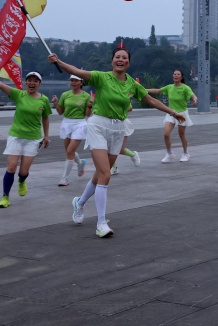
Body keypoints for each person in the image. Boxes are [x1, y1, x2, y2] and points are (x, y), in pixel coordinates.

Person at [48, 48, 185, 238]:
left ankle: (79, 202)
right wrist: (59, 62)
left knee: (100, 175)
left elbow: (150, 100)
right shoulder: (101, 77)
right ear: (112, 60)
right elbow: (78, 72)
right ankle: (101, 223)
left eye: (124, 58)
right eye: (117, 57)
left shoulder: (132, 84)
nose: (120, 60)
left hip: (118, 129)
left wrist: (173, 112)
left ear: (128, 63)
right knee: (105, 174)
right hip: (98, 126)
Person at [0, 67, 51, 208]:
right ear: (25, 82)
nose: (32, 83)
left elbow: (45, 118)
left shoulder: (44, 100)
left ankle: (21, 181)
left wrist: (46, 136)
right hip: (16, 136)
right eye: (29, 80)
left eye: (35, 81)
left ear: (40, 84)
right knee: (11, 167)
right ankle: (5, 197)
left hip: (33, 139)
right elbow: (0, 85)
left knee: (23, 171)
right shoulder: (18, 95)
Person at [147, 69, 197, 163]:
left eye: (178, 74)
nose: (176, 76)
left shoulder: (185, 88)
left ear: (181, 77)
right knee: (166, 134)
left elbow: (193, 95)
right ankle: (169, 154)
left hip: (182, 113)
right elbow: (158, 91)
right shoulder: (169, 87)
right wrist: (144, 90)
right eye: (174, 74)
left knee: (181, 134)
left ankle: (185, 153)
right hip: (171, 113)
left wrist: (194, 100)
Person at [52, 75, 90, 186]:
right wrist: (55, 103)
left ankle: (64, 178)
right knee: (69, 151)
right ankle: (80, 163)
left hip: (80, 124)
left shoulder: (86, 96)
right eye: (71, 80)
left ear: (81, 83)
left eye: (76, 80)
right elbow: (60, 112)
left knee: (70, 151)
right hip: (67, 123)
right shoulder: (65, 95)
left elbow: (88, 114)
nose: (73, 82)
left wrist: (90, 106)